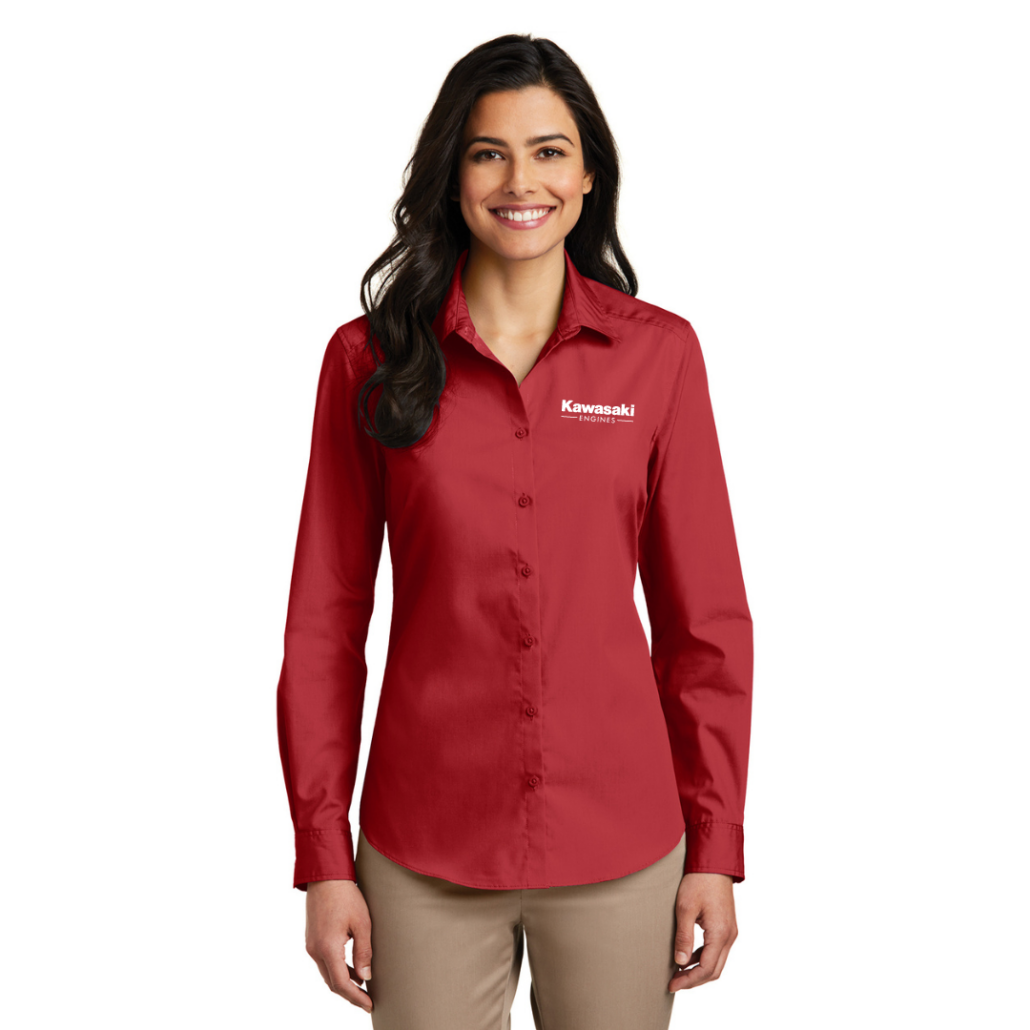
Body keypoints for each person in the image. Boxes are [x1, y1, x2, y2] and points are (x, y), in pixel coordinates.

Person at [275, 33, 753, 1030]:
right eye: (488, 152)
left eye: (548, 151)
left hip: (623, 846)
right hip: (423, 847)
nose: (519, 181)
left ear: (588, 175)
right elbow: (324, 624)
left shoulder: (658, 357)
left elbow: (704, 622)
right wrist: (324, 857)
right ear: (451, 175)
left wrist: (714, 845)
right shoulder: (367, 361)